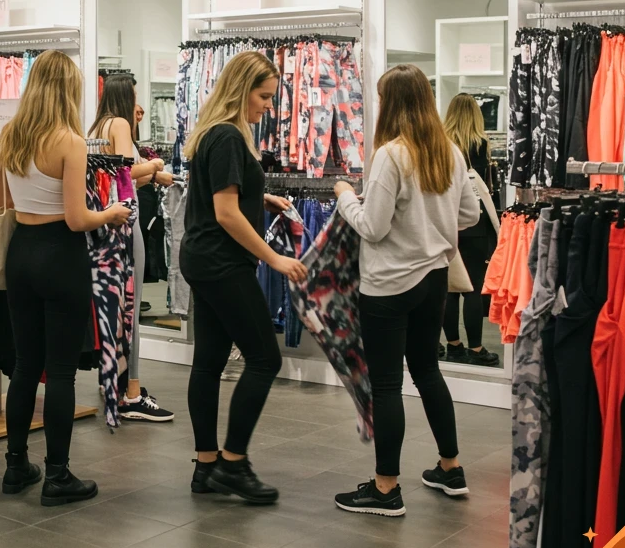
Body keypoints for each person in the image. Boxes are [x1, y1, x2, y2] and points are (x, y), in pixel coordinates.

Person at [332, 64, 481, 516]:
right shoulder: (450, 153)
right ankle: (450, 467)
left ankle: (385, 488)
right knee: (428, 372)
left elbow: (372, 228)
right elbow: (471, 214)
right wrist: (430, 229)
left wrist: (344, 196)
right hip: (434, 279)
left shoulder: (391, 156)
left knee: (387, 384)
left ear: (390, 103)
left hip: (389, 284)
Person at [0, 50, 131, 506]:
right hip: (60, 255)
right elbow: (76, 219)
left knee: (24, 366)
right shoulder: (70, 141)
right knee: (60, 371)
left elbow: (4, 202)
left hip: (21, 252)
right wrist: (110, 212)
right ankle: (57, 475)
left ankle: (16, 466)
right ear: (68, 90)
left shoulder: (10, 134)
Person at [179, 51, 307, 504]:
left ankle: (207, 464)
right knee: (264, 359)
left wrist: (263, 197)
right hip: (221, 262)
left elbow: (227, 197)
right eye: (264, 96)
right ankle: (233, 463)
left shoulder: (217, 133)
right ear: (241, 90)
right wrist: (274, 258)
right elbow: (226, 213)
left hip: (203, 257)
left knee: (209, 360)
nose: (268, 106)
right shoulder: (230, 136)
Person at [88, 73, 175, 423]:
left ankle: (115, 384)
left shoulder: (98, 126)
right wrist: (154, 166)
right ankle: (132, 394)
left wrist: (151, 176)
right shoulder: (119, 124)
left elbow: (115, 176)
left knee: (114, 312)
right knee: (130, 313)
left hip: (104, 225)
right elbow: (126, 174)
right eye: (135, 94)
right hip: (125, 222)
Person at [441, 93, 500, 367]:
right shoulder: (481, 145)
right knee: (474, 289)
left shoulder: (441, 145)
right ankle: (476, 348)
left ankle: (453, 345)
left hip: (447, 222)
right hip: (475, 223)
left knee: (450, 289)